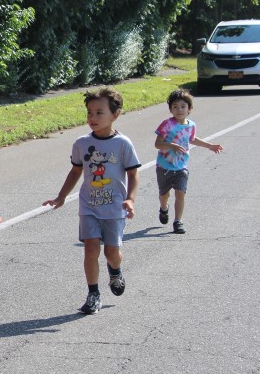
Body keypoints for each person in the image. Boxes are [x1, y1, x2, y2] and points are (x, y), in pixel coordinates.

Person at [43, 87, 140, 315]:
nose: (92, 118)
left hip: (114, 208)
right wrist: (61, 196)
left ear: (115, 115)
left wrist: (130, 199)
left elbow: (134, 174)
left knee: (112, 254)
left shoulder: (123, 144)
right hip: (89, 206)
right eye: (89, 112)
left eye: (99, 113)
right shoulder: (82, 143)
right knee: (90, 249)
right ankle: (93, 294)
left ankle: (115, 271)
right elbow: (76, 171)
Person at [154, 88, 223, 234]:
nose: (179, 110)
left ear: (189, 109)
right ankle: (164, 208)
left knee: (180, 193)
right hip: (164, 166)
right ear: (170, 109)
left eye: (183, 106)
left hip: (181, 167)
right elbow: (157, 144)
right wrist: (171, 145)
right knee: (164, 194)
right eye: (175, 107)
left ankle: (177, 221)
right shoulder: (167, 124)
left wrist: (209, 145)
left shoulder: (191, 125)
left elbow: (192, 139)